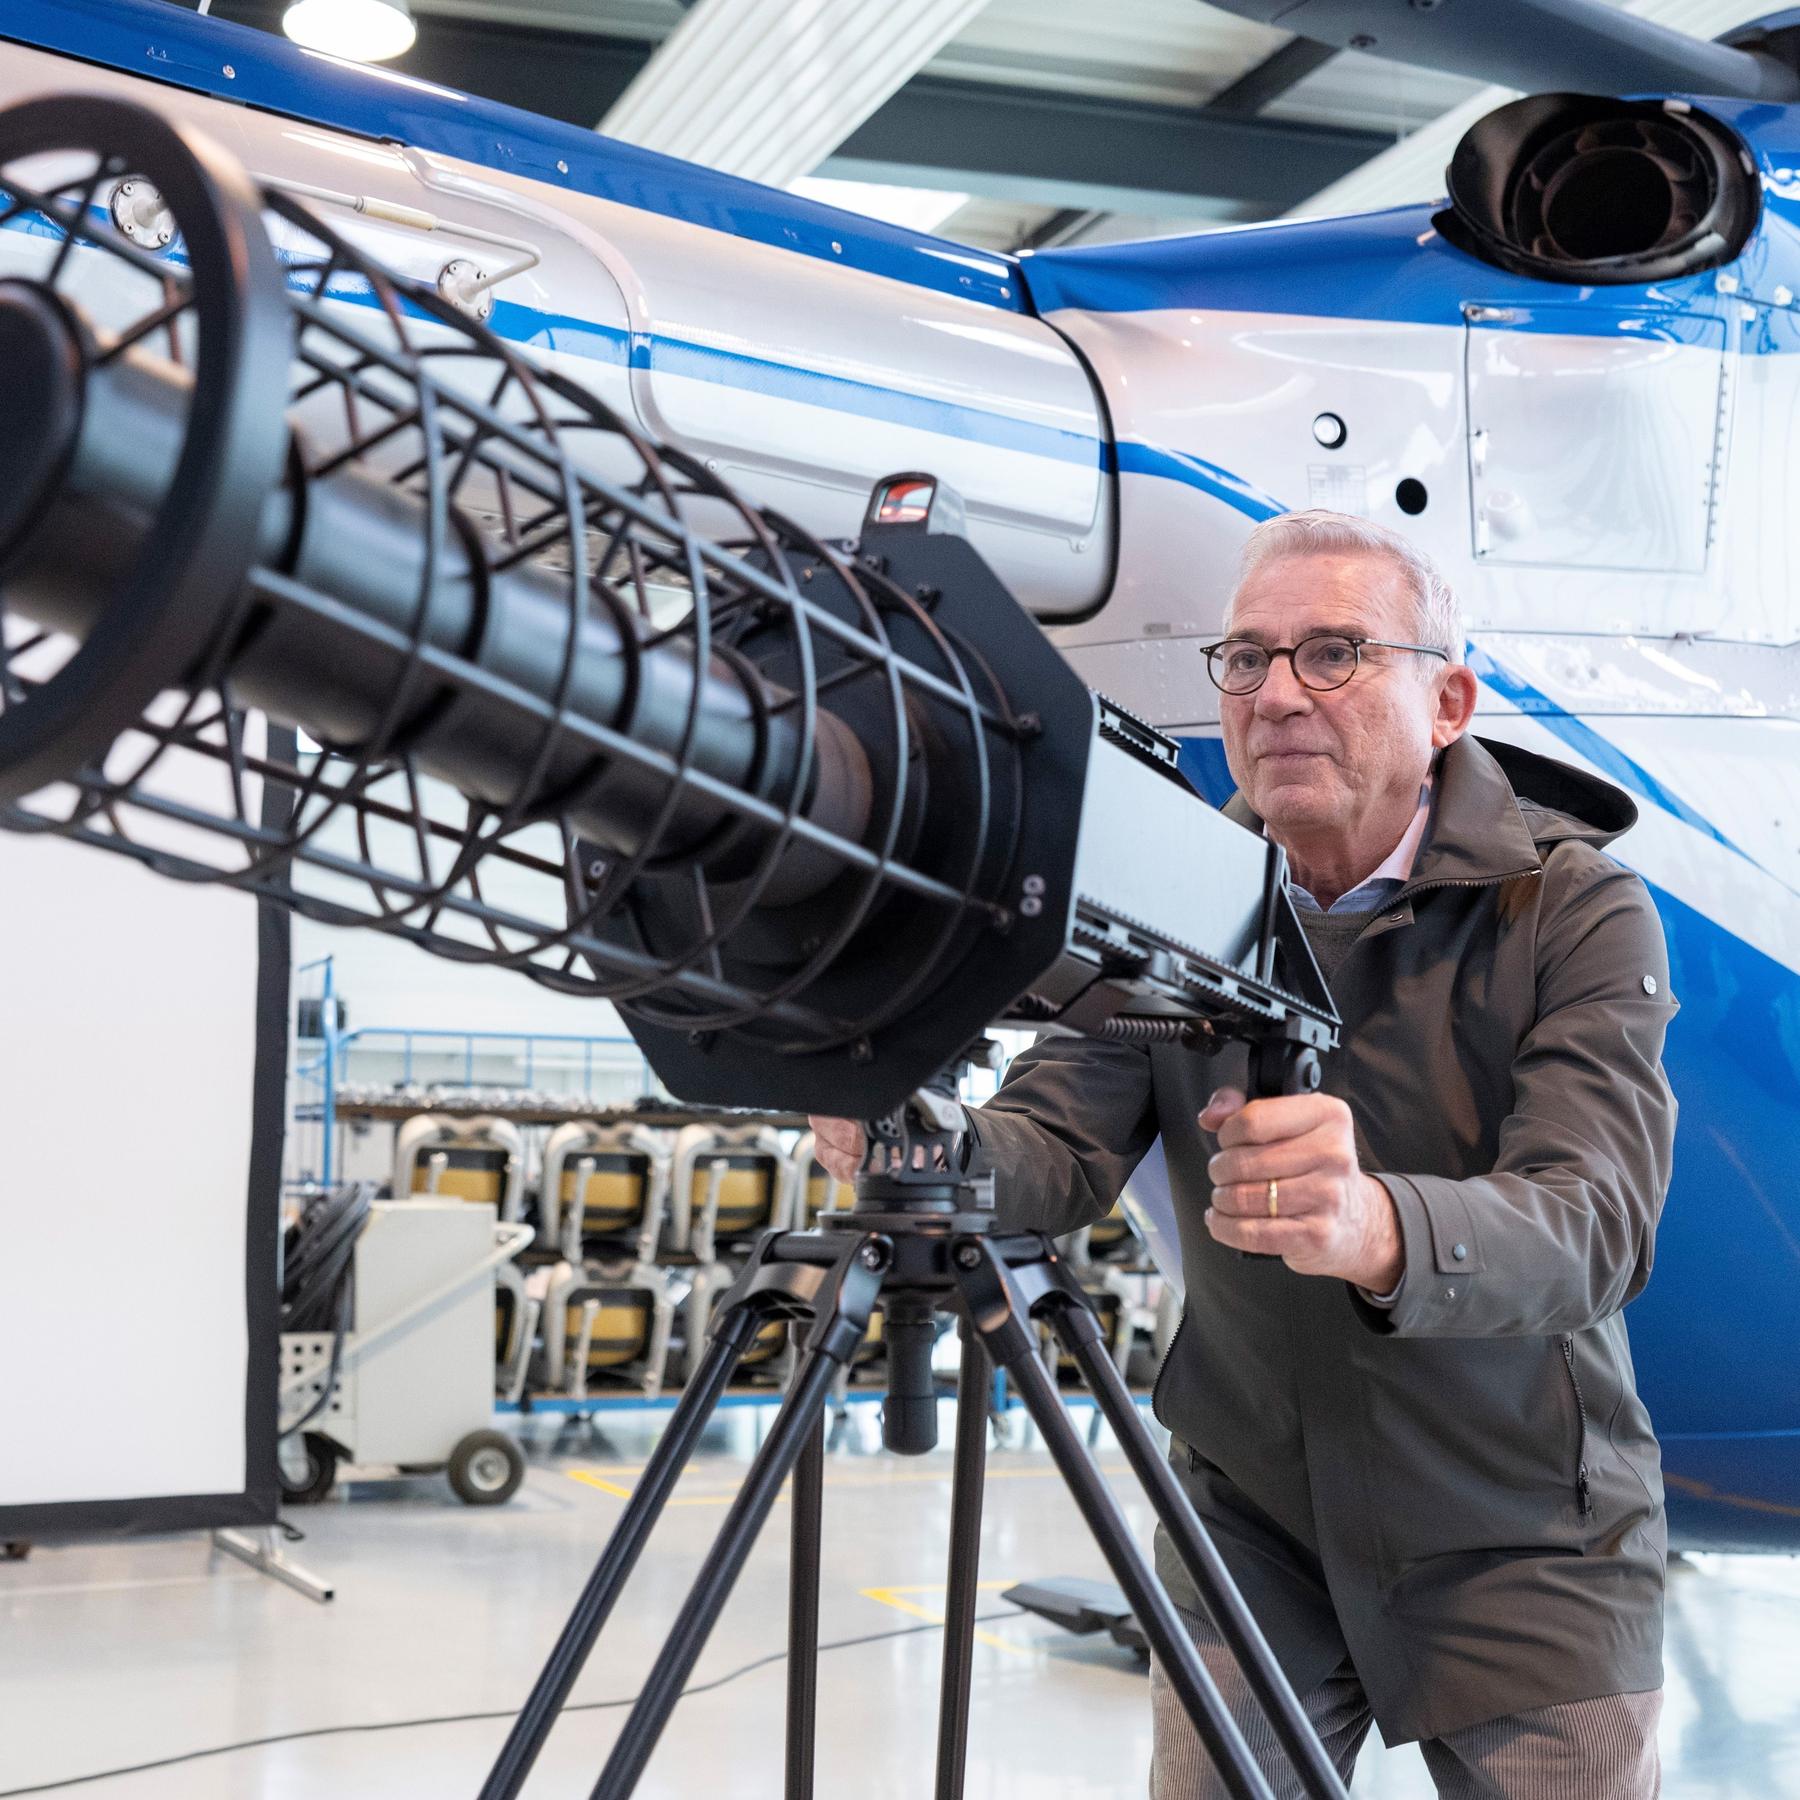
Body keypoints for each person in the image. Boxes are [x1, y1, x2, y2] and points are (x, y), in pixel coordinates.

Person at [810, 510, 1677, 1799]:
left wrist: (1377, 1225)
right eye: (1246, 658)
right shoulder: (1174, 893)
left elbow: (1595, 1224)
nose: (1276, 693)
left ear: (1446, 701)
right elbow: (1054, 1145)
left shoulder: (1571, 907)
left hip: (1526, 1533)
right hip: (1257, 1514)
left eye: (1332, 653)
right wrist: (904, 1126)